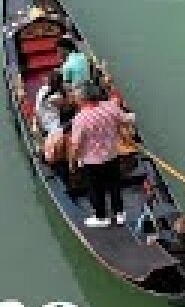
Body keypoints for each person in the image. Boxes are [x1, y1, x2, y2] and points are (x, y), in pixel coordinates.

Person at [68, 81, 137, 228]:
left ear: (83, 98)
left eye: (76, 96)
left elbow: (75, 145)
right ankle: (119, 214)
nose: (75, 98)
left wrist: (72, 163)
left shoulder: (80, 118)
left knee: (95, 189)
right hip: (111, 155)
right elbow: (126, 119)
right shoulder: (110, 107)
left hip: (91, 162)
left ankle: (101, 217)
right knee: (114, 185)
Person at [33, 69, 67, 137]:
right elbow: (65, 106)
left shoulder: (42, 89)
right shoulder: (57, 96)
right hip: (51, 124)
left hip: (41, 119)